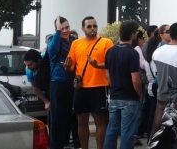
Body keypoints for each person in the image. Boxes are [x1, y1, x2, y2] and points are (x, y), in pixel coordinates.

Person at [65, 16, 114, 149]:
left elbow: (111, 63)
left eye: (95, 26)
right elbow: (71, 67)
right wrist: (67, 65)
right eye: (89, 26)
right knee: (81, 120)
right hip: (81, 88)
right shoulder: (76, 44)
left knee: (100, 121)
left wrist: (97, 65)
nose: (92, 29)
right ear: (83, 29)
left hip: (99, 87)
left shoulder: (106, 42)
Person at [104, 21, 143, 149]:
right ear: (132, 34)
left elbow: (107, 74)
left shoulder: (110, 51)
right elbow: (136, 80)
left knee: (111, 130)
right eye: (137, 33)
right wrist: (139, 95)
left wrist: (113, 87)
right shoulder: (132, 53)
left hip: (114, 96)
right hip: (130, 97)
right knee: (127, 132)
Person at [48, 16, 79, 149]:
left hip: (72, 82)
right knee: (57, 117)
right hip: (58, 82)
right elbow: (52, 51)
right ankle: (56, 146)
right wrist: (58, 32)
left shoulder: (73, 41)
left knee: (74, 116)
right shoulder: (53, 40)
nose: (65, 30)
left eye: (67, 27)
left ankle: (76, 144)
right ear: (56, 29)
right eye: (62, 28)